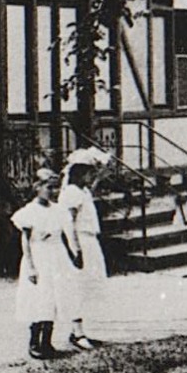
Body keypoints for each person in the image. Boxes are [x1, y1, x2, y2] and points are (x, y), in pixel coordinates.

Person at [11, 168, 75, 360]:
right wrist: (30, 266)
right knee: (38, 297)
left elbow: (63, 236)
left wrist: (71, 256)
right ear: (37, 187)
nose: (52, 191)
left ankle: (47, 341)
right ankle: (34, 341)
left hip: (56, 256)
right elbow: (26, 240)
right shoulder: (29, 212)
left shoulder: (58, 210)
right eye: (48, 187)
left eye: (55, 188)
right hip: (39, 256)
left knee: (54, 297)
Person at [58, 148, 111, 350]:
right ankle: (77, 332)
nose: (91, 176)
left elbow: (94, 185)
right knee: (77, 286)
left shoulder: (83, 191)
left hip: (90, 241)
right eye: (89, 172)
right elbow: (68, 223)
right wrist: (75, 250)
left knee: (88, 286)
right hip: (80, 241)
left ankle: (79, 331)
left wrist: (102, 170)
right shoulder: (71, 193)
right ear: (79, 173)